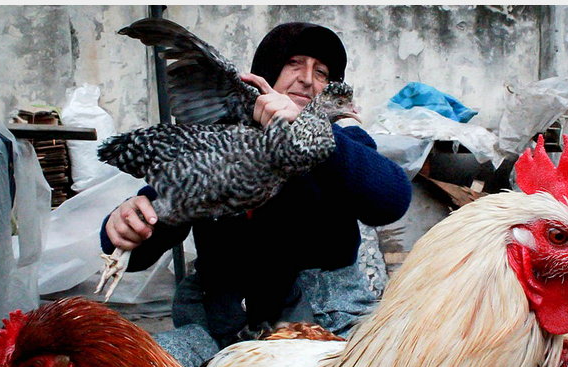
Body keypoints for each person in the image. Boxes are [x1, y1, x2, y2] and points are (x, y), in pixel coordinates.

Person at [100, 22, 412, 347]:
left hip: (323, 325)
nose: (307, 78)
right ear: (267, 72)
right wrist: (125, 226)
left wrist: (311, 132)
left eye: (321, 72)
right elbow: (149, 233)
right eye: (294, 63)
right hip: (220, 330)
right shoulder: (220, 143)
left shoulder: (345, 143)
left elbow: (391, 200)